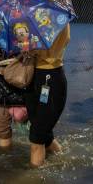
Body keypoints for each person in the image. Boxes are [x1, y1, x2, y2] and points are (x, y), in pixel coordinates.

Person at [24, 24, 70, 167]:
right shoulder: (31, 14)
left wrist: (33, 49)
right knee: (42, 132)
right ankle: (64, 161)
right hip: (32, 76)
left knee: (37, 136)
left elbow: (62, 41)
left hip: (50, 77)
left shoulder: (57, 16)